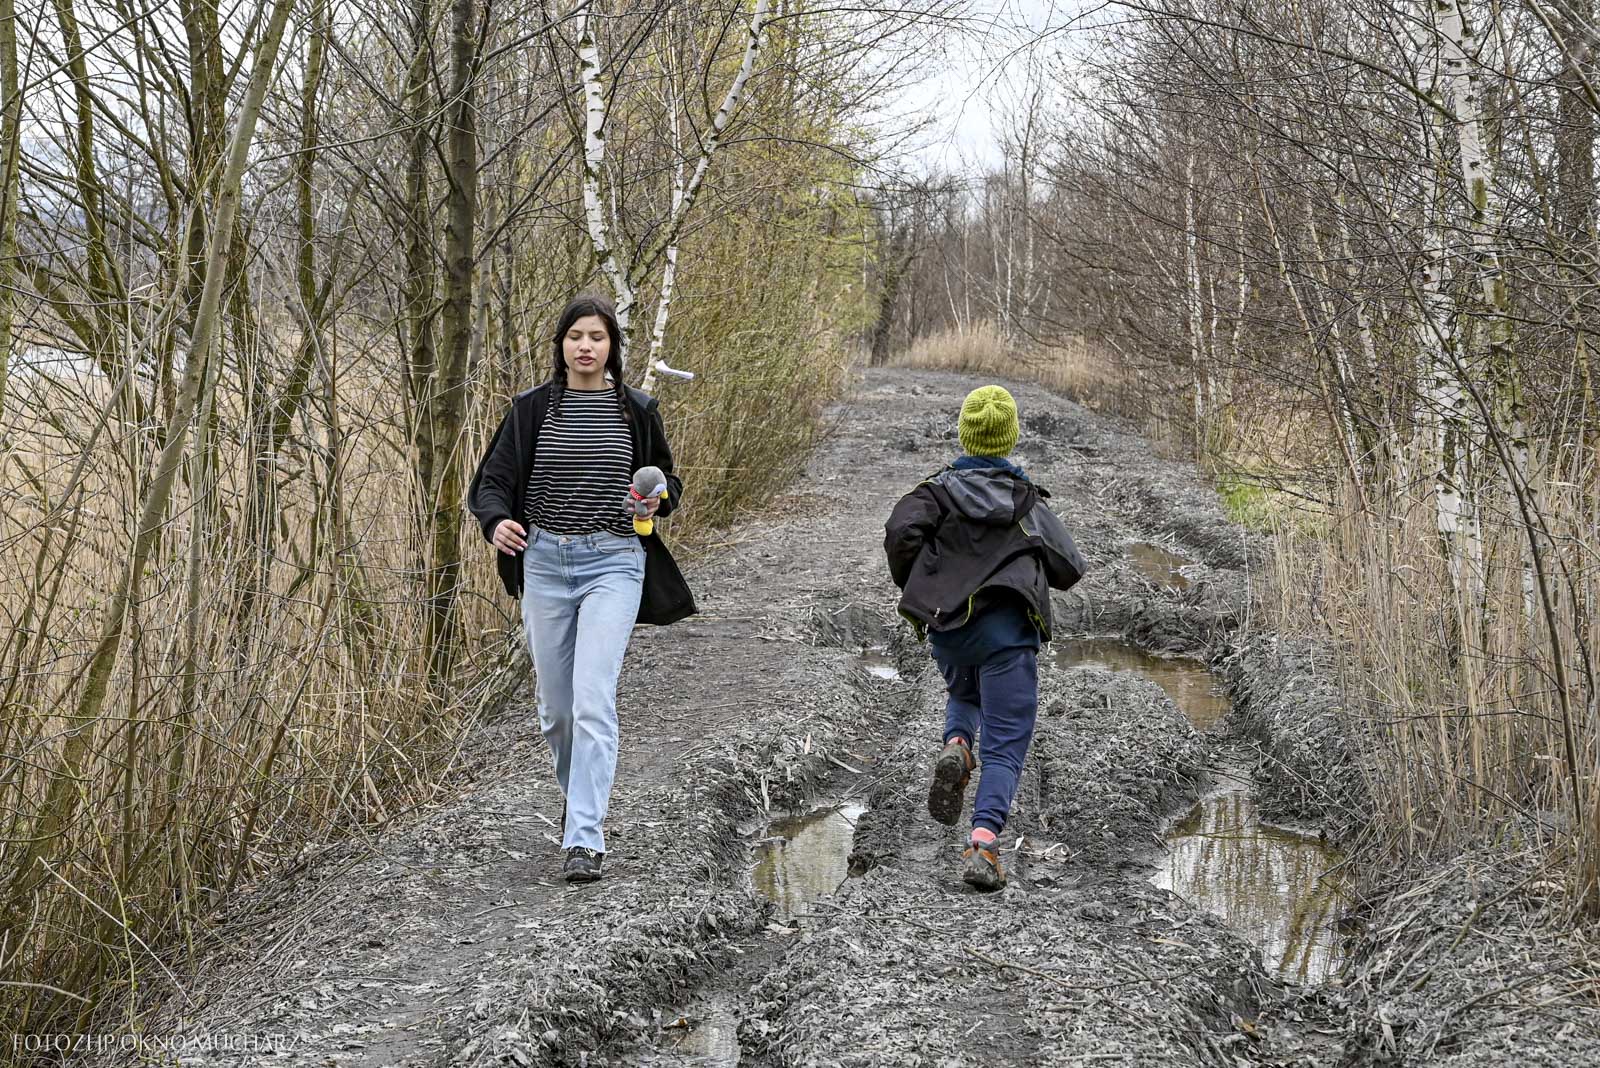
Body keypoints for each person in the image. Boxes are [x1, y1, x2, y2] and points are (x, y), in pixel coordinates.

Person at [468, 293, 696, 883]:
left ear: (612, 347)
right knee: (556, 711)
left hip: (614, 562)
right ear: (562, 346)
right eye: (576, 336)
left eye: (597, 336)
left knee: (593, 699)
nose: (586, 346)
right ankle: (579, 800)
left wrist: (655, 498)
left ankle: (584, 838)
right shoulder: (530, 410)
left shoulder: (637, 410)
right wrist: (496, 522)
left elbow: (668, 482)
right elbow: (490, 483)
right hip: (544, 563)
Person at [883, 385, 1087, 891]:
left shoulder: (933, 493)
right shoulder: (1025, 502)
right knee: (1005, 745)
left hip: (950, 631)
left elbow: (900, 532)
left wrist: (927, 581)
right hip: (1008, 638)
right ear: (1010, 437)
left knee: (964, 691)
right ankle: (983, 845)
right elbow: (1070, 568)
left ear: (964, 434)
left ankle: (957, 744)